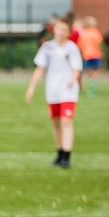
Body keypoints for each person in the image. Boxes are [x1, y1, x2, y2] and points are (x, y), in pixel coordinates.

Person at [25, 19, 83, 169]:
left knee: (66, 121)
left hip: (68, 92)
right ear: (54, 30)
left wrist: (72, 79)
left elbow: (77, 68)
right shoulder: (47, 48)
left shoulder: (72, 48)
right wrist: (31, 88)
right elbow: (40, 69)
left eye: (64, 29)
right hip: (52, 91)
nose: (61, 32)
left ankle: (67, 155)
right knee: (56, 123)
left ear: (68, 32)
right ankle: (59, 152)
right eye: (58, 29)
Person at [77, 16, 103, 97]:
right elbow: (100, 42)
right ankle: (93, 87)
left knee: (89, 73)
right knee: (96, 72)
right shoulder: (96, 32)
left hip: (87, 55)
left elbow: (80, 45)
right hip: (95, 55)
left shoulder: (83, 33)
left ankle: (91, 88)